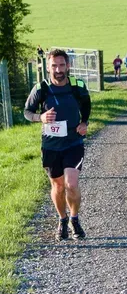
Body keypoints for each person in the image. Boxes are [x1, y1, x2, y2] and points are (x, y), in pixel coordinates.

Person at [23, 49, 91, 241]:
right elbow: (27, 112)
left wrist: (84, 122)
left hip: (73, 142)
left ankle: (75, 219)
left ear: (67, 66)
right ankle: (62, 219)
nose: (58, 69)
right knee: (58, 186)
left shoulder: (78, 86)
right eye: (54, 66)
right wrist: (40, 117)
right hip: (51, 146)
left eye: (62, 65)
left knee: (71, 184)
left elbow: (86, 105)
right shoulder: (41, 89)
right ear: (48, 67)